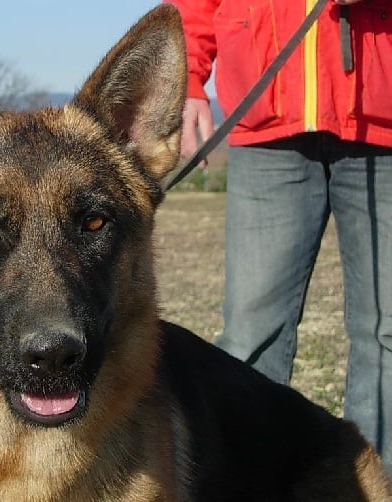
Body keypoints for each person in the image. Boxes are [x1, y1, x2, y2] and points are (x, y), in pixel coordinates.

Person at [164, 0, 392, 474]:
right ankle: (242, 484)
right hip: (265, 118)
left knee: (387, 336)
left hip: (382, 120)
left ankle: (376, 484)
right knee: (251, 336)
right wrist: (187, 80)